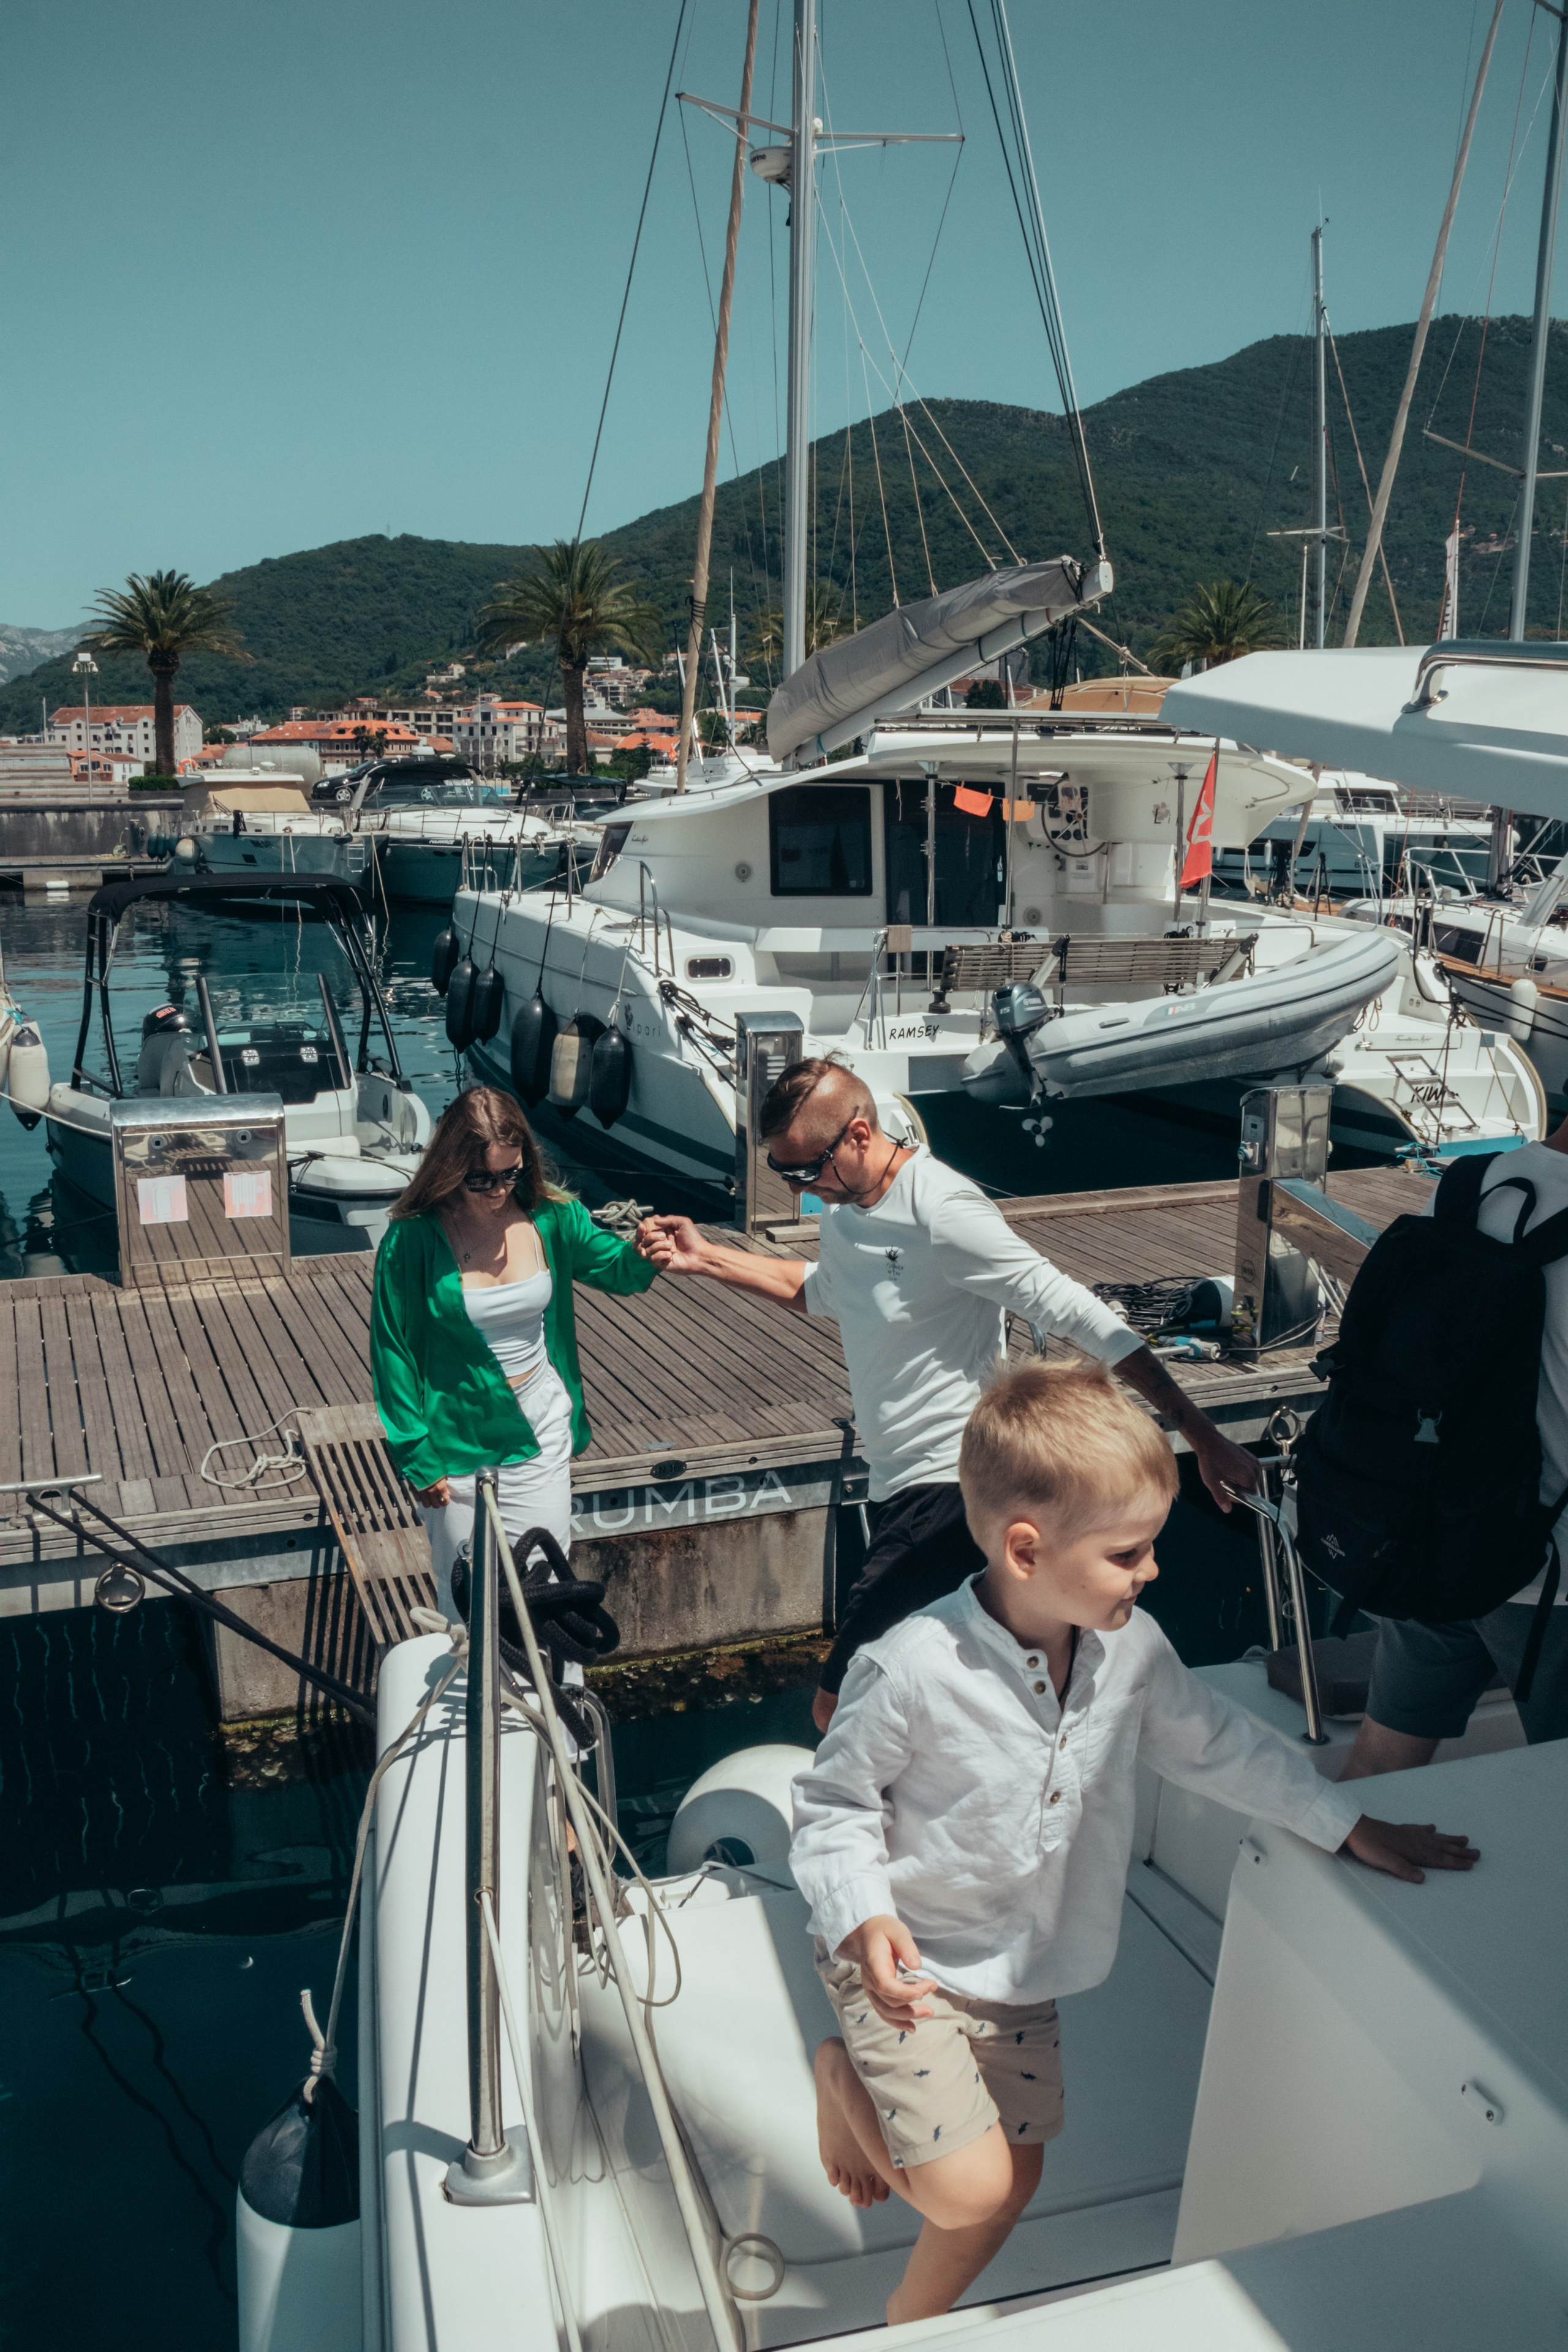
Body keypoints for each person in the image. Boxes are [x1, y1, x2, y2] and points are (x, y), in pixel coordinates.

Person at [791, 1359, 1479, 2328]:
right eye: (1130, 1553)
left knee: (1015, 2182)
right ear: (1027, 1551)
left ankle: (911, 2325)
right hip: (904, 1959)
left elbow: (1219, 1746)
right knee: (968, 2192)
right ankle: (840, 2074)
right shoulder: (909, 1668)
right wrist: (861, 1917)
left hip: (1024, 1973)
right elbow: (832, 1807)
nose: (1153, 1571)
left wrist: (1344, 1819)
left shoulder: (1134, 1651)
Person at [638, 1058, 1259, 1730]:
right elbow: (821, 1290)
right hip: (896, 1485)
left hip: (951, 1486)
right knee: (951, 1686)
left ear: (857, 1134)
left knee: (839, 1706)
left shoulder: (943, 1210)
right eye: (784, 1173)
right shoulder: (848, 1212)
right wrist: (708, 1260)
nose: (798, 1189)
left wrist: (1199, 1432)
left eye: (805, 1169)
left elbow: (1077, 1313)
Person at [371, 1085, 658, 1615]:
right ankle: (473, 1692)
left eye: (511, 1173)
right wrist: (416, 1455)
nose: (499, 1190)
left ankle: (555, 1692)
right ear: (452, 1166)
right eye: (481, 1178)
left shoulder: (553, 1216)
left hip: (541, 1424)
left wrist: (647, 1252)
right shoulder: (410, 1239)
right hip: (454, 1438)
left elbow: (617, 1270)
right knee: (466, 1592)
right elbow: (392, 1350)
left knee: (549, 1584)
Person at [1342, 1114, 1568, 1781]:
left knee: (1384, 1753)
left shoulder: (1471, 1184)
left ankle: (1314, 1867)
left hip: (1432, 1533)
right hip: (1552, 1577)